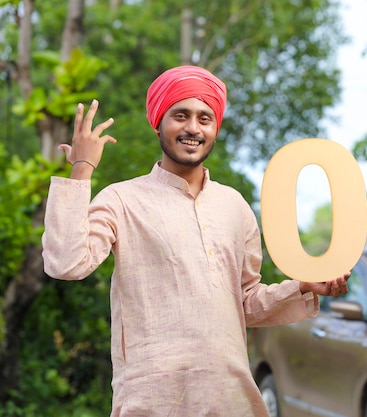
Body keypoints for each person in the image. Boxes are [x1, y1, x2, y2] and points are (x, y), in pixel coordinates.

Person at [42, 65, 350, 417]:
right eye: (180, 115)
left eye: (205, 118)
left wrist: (303, 287)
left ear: (215, 128)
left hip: (231, 401)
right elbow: (66, 263)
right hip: (151, 403)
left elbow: (245, 303)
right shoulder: (121, 200)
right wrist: (82, 167)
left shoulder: (234, 206)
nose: (193, 127)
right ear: (158, 122)